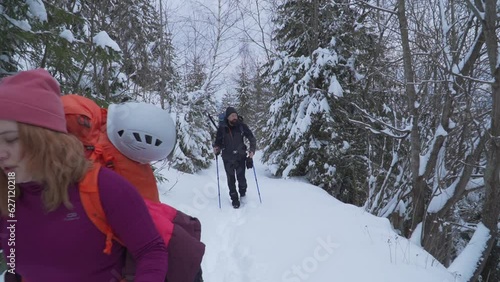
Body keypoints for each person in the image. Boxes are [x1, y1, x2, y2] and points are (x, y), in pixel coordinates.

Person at [0, 69, 168, 281]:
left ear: (45, 138)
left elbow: (151, 250)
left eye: (11, 139)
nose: (1, 152)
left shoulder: (105, 188)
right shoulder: (7, 194)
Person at [213, 106, 256, 208]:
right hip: (227, 158)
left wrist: (252, 151)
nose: (234, 117)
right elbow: (217, 143)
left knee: (241, 179)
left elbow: (252, 138)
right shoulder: (222, 129)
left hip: (240, 157)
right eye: (232, 116)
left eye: (235, 115)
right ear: (227, 117)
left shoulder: (241, 126)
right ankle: (234, 199)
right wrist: (216, 149)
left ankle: (243, 193)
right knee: (231, 179)